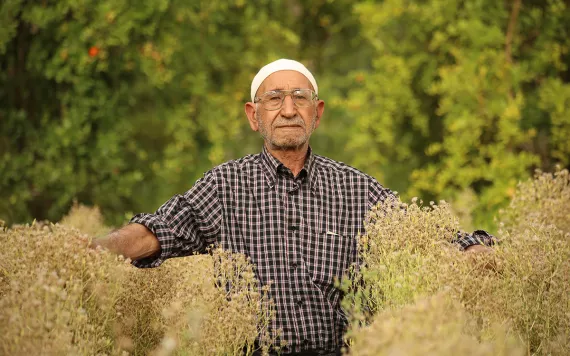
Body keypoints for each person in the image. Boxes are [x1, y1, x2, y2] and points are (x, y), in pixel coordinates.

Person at [93, 59, 494, 355]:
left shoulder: (355, 187)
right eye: (274, 99)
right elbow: (158, 230)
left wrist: (473, 249)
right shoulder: (224, 186)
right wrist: (91, 252)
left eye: (300, 98)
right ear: (255, 116)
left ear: (316, 114)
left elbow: (416, 232)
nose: (288, 109)